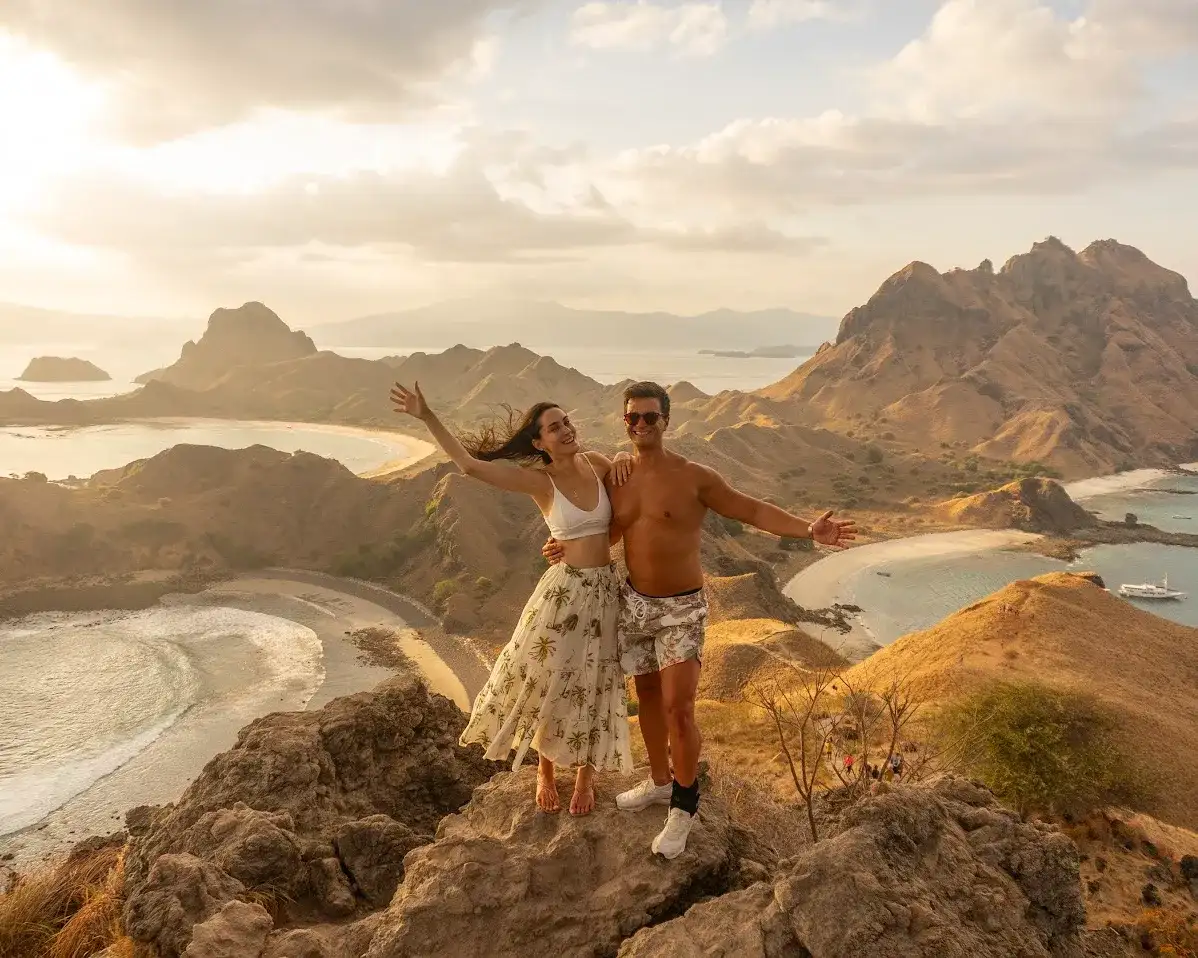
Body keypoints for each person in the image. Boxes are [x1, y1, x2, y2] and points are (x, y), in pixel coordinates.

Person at [544, 381, 856, 858]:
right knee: (646, 698)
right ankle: (659, 782)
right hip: (635, 603)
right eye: (633, 418)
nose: (641, 425)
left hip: (682, 608)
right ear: (624, 423)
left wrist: (806, 530)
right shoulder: (618, 477)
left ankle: (684, 807)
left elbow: (749, 508)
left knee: (679, 708)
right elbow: (601, 533)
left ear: (666, 421)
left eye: (650, 417)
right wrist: (562, 549)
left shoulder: (695, 476)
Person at [391, 381, 635, 816]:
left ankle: (584, 778)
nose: (565, 430)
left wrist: (620, 457)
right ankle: (545, 772)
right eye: (554, 427)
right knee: (551, 679)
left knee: (599, 680)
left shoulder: (598, 464)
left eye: (567, 422)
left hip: (605, 591)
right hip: (564, 593)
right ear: (539, 442)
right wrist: (426, 416)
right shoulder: (540, 482)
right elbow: (469, 467)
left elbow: (620, 520)